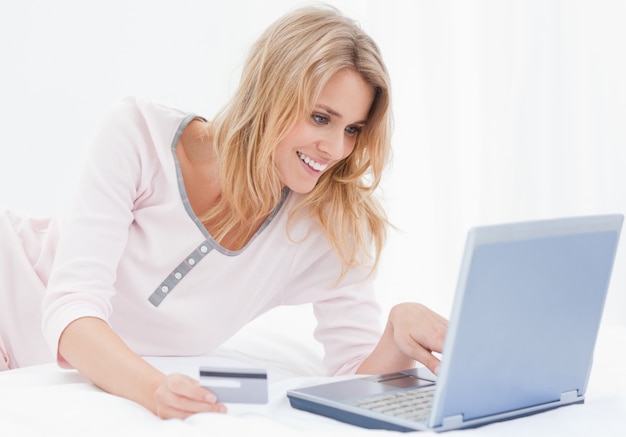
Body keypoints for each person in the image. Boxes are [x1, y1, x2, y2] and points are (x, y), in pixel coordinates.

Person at [0, 4, 447, 419]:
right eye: (319, 118)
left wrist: (395, 335)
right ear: (271, 94)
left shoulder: (329, 225)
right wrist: (154, 390)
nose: (334, 148)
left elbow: (353, 377)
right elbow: (72, 307)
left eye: (352, 129)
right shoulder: (139, 136)